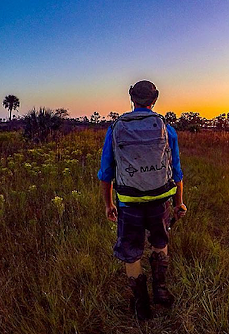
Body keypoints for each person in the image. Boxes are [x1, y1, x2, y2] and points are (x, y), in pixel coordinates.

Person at [98, 80, 186, 320]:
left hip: (129, 201)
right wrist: (179, 202)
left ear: (131, 98)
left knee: (131, 251)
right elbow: (176, 172)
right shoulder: (166, 128)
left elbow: (106, 173)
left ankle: (141, 304)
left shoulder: (116, 128)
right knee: (159, 241)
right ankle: (161, 290)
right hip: (160, 201)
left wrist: (109, 204)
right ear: (154, 99)